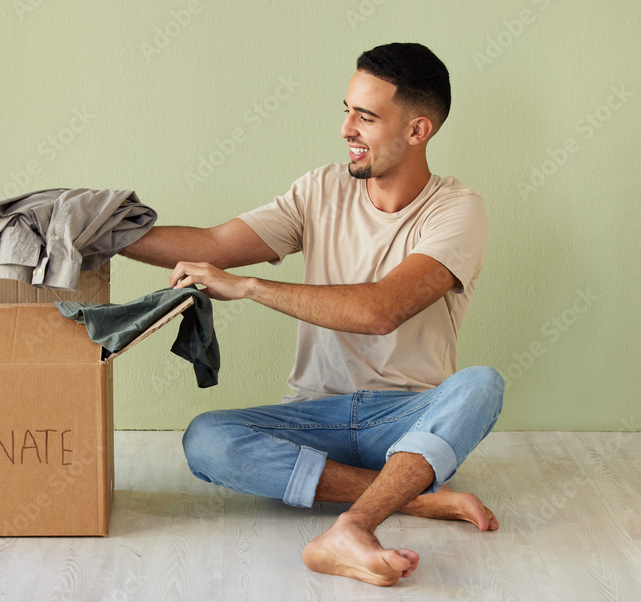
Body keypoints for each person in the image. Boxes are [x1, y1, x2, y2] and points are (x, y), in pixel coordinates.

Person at [121, 42, 504, 587]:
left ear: (418, 131)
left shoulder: (457, 210)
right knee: (206, 439)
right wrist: (103, 235)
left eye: (366, 116)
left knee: (482, 385)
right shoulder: (320, 190)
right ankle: (414, 499)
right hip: (313, 417)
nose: (347, 128)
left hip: (405, 421)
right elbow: (213, 244)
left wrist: (250, 287)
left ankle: (354, 525)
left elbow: (381, 310)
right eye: (346, 110)